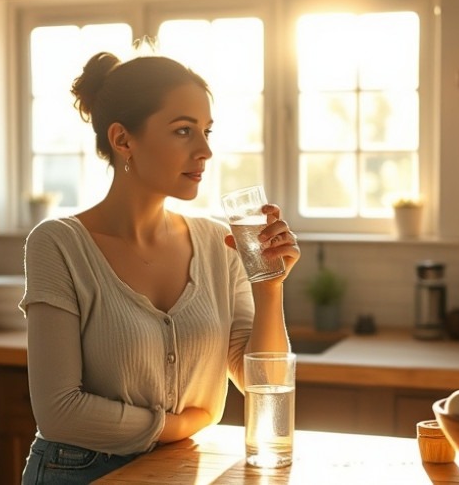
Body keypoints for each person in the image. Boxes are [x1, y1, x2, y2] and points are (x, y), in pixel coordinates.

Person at [19, 50, 301, 484]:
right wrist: (181, 425)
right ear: (123, 140)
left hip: (176, 471)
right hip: (79, 473)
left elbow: (263, 383)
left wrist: (269, 285)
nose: (205, 150)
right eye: (183, 131)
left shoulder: (217, 242)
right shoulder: (58, 244)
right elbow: (60, 414)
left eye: (206, 131)